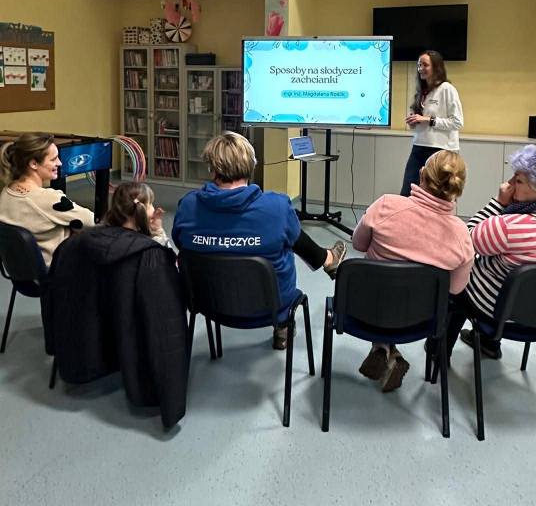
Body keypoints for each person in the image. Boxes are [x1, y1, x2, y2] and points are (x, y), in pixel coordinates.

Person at [172, 131, 347, 349]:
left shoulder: (188, 206)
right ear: (251, 166)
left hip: (208, 303)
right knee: (286, 240)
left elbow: (180, 243)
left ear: (212, 169)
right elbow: (294, 238)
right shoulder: (277, 207)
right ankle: (322, 267)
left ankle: (327, 259)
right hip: (272, 307)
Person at [43, 180, 188, 429]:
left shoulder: (74, 244)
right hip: (128, 327)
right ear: (141, 210)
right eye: (151, 205)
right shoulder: (149, 256)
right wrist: (158, 236)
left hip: (90, 328)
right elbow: (168, 303)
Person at [445, 144, 536, 360]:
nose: (509, 184)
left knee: (457, 274)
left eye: (518, 181)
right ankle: (488, 344)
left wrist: (498, 203)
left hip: (505, 315)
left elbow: (464, 241)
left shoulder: (510, 228)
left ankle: (439, 352)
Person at [352, 150, 474, 392]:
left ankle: (383, 348)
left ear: (421, 175)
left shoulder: (386, 205)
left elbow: (358, 244)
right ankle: (388, 350)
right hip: (421, 318)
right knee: (405, 298)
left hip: (365, 309)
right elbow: (455, 288)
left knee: (386, 291)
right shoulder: (461, 235)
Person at [0, 132, 95, 265]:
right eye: (53, 159)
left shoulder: (6, 192)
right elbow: (92, 221)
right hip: (57, 271)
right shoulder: (50, 200)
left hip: (20, 271)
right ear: (34, 163)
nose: (59, 163)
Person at [400, 50, 463, 197]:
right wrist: (414, 122)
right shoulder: (421, 92)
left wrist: (428, 120)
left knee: (437, 196)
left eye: (425, 65)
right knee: (408, 193)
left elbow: (457, 122)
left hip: (441, 151)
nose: (420, 68)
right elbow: (422, 121)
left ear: (436, 67)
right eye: (419, 65)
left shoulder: (447, 89)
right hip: (419, 147)